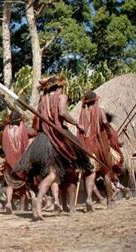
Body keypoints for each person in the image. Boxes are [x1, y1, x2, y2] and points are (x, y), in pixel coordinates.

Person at [16, 75, 91, 220]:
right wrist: (77, 123)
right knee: (63, 174)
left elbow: (38, 124)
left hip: (44, 139)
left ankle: (40, 202)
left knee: (53, 173)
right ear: (60, 86)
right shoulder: (62, 96)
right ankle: (41, 201)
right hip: (59, 138)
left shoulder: (42, 100)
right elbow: (62, 113)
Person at [78, 91, 115, 211]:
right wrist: (109, 133)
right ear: (95, 100)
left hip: (87, 147)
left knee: (90, 174)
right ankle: (110, 202)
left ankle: (89, 198)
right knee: (106, 173)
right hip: (99, 146)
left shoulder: (83, 114)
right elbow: (104, 122)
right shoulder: (100, 111)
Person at [2, 111, 36, 214]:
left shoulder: (5, 130)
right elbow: (34, 133)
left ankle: (8, 202)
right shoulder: (23, 129)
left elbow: (4, 146)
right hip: (21, 160)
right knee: (24, 183)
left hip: (9, 160)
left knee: (10, 184)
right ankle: (28, 202)